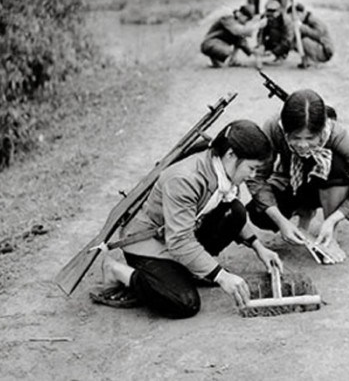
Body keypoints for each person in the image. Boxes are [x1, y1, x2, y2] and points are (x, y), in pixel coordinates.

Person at [91, 120, 282, 318]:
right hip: (148, 243)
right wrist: (221, 276)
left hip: (176, 234)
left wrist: (259, 247)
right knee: (184, 302)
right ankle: (117, 271)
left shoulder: (221, 171)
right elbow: (180, 241)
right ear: (231, 154)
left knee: (235, 211)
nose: (252, 175)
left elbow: (229, 214)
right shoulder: (185, 179)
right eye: (251, 168)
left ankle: (189, 270)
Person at [246, 89, 349, 263]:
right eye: (295, 137)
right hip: (293, 185)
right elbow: (256, 177)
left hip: (327, 184)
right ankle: (304, 211)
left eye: (310, 138)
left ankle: (330, 238)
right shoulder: (273, 128)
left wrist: (332, 220)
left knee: (336, 164)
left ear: (321, 130)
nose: (302, 145)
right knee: (259, 213)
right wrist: (281, 221)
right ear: (285, 130)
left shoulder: (337, 135)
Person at [291, 3, 334, 69]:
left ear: (299, 14)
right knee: (296, 41)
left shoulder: (313, 20)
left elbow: (318, 35)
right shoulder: (305, 21)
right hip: (318, 47)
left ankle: (313, 62)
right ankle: (306, 62)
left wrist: (301, 27)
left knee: (304, 41)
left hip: (325, 51)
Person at [255, 0, 294, 66]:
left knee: (274, 33)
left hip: (283, 42)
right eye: (269, 11)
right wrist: (260, 45)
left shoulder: (285, 20)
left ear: (278, 11)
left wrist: (275, 52)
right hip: (271, 39)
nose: (271, 14)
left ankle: (280, 55)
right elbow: (260, 34)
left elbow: (288, 39)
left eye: (273, 11)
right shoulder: (264, 17)